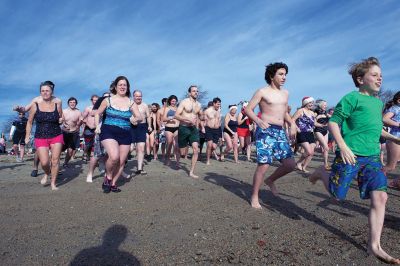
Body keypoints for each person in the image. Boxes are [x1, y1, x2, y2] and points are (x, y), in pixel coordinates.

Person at [309, 57, 400, 264]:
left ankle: (374, 245)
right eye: (374, 75)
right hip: (350, 154)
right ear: (360, 79)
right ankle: (322, 172)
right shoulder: (352, 98)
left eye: (381, 75)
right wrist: (342, 146)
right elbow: (333, 122)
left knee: (381, 197)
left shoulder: (378, 104)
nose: (380, 79)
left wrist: (395, 138)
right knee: (338, 195)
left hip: (372, 158)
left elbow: (377, 130)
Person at [245, 62, 296, 209]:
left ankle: (270, 180)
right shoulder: (262, 91)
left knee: (290, 165)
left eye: (285, 74)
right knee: (264, 165)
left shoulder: (285, 93)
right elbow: (248, 109)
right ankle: (254, 196)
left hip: (280, 131)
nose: (284, 77)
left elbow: (284, 112)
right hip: (265, 129)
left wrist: (292, 123)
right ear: (271, 76)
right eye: (280, 74)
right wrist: (258, 121)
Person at [95, 76, 142, 193]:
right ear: (115, 87)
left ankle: (113, 183)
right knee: (114, 156)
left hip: (125, 133)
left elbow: (139, 116)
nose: (122, 87)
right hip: (108, 131)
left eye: (124, 85)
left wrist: (135, 119)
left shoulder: (131, 102)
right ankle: (108, 177)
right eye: (120, 84)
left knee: (121, 161)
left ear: (127, 88)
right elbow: (97, 113)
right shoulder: (108, 100)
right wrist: (97, 126)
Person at [25, 81, 64, 190]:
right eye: (42, 91)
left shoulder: (58, 103)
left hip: (56, 134)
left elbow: (61, 116)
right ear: (40, 92)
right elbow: (29, 122)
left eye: (47, 90)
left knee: (55, 160)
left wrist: (61, 120)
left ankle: (53, 183)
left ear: (52, 91)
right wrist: (27, 136)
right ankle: (47, 173)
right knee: (45, 162)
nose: (45, 93)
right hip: (40, 136)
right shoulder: (35, 105)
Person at [175, 85, 202, 178]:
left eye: (197, 91)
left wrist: (202, 116)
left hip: (193, 129)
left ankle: (191, 172)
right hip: (183, 128)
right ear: (189, 93)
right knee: (182, 153)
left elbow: (201, 116)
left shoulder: (199, 104)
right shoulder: (184, 102)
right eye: (194, 91)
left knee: (195, 149)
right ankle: (178, 153)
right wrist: (187, 120)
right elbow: (176, 115)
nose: (196, 92)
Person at [292, 97, 316, 173]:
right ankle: (299, 162)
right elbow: (292, 120)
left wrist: (323, 125)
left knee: (312, 153)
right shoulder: (300, 111)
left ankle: (304, 167)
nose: (311, 104)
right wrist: (296, 128)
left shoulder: (312, 113)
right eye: (310, 103)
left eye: (312, 103)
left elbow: (314, 123)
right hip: (302, 133)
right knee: (308, 151)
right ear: (305, 103)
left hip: (310, 133)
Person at [382, 91, 400, 188]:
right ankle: (378, 181)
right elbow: (384, 119)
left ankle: (397, 183)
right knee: (390, 167)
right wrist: (398, 124)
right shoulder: (395, 108)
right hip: (395, 139)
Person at [131, 90, 151, 174]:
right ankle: (122, 162)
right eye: (137, 96)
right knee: (130, 148)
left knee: (141, 148)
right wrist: (131, 120)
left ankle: (139, 169)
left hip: (142, 127)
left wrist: (149, 126)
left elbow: (148, 116)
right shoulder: (130, 104)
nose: (139, 97)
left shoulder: (145, 105)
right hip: (131, 127)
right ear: (133, 96)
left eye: (140, 96)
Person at [62, 97, 83, 167]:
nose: (72, 104)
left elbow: (80, 121)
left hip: (74, 132)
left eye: (74, 102)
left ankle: (65, 163)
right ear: (68, 103)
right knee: (59, 149)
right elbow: (62, 120)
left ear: (76, 104)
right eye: (71, 102)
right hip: (64, 132)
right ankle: (55, 163)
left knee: (70, 151)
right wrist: (65, 125)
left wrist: (79, 124)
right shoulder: (64, 111)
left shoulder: (78, 112)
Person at [204, 97, 223, 165]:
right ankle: (208, 160)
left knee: (214, 146)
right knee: (209, 145)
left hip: (216, 130)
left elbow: (219, 121)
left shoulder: (219, 111)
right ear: (214, 103)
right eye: (218, 104)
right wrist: (203, 128)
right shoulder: (207, 111)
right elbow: (203, 120)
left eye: (220, 104)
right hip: (209, 129)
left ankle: (209, 154)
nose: (219, 106)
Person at [314, 99, 331, 170]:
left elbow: (331, 118)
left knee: (325, 149)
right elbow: (313, 123)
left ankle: (326, 164)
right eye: (324, 105)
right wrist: (318, 118)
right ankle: (314, 149)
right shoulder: (315, 112)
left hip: (325, 131)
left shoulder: (325, 112)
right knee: (326, 147)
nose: (325, 106)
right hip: (318, 130)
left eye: (326, 105)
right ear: (320, 105)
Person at [163, 95, 179, 166]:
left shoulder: (178, 109)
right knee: (169, 143)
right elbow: (163, 119)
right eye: (172, 101)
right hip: (169, 128)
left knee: (176, 145)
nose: (173, 102)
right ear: (170, 101)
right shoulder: (167, 108)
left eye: (175, 101)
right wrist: (171, 118)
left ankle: (177, 162)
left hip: (177, 128)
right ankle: (168, 158)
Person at [81, 95, 99, 163]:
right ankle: (85, 154)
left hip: (97, 128)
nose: (95, 101)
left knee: (96, 143)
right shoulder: (88, 108)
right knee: (88, 144)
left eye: (97, 100)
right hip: (88, 128)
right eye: (94, 100)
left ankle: (94, 158)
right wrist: (87, 124)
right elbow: (82, 118)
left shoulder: (100, 108)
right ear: (91, 100)